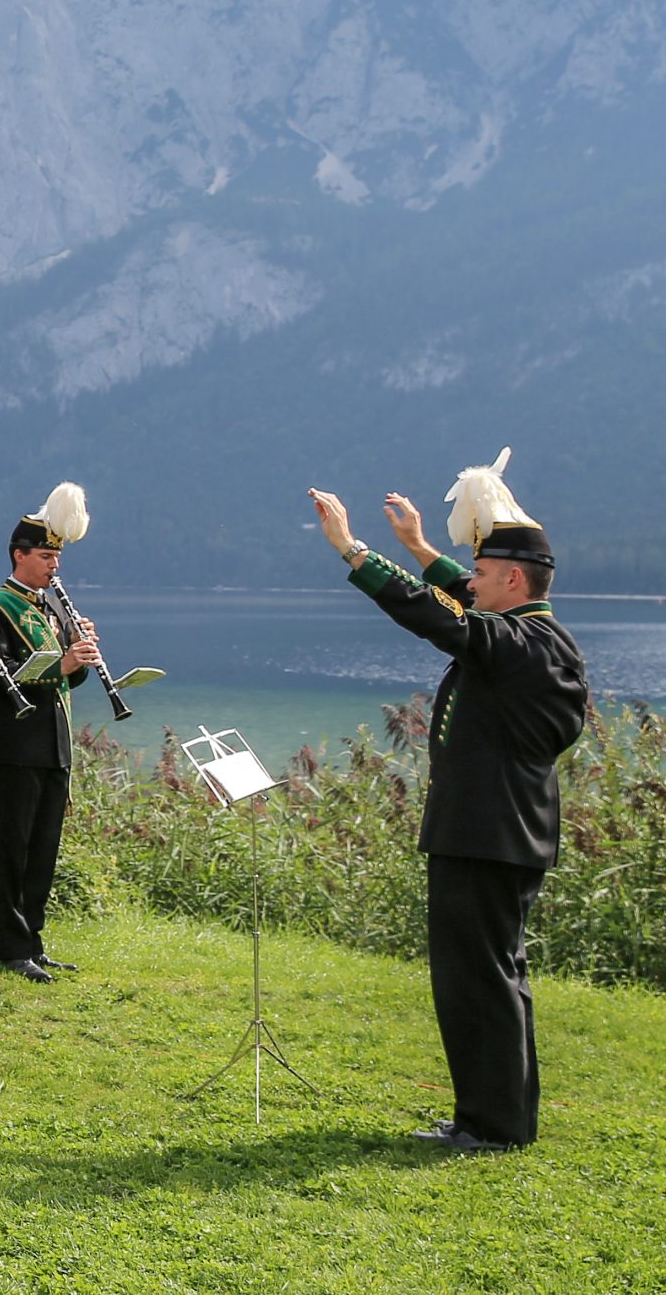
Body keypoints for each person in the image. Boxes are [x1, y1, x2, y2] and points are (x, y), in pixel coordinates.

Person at [310, 451, 588, 1152]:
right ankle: (492, 1118)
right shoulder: (532, 637)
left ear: (515, 579)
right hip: (495, 832)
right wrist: (417, 546)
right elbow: (461, 597)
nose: (474, 583)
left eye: (486, 575)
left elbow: (440, 615)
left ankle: (492, 1126)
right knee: (490, 977)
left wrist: (355, 550)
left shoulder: (521, 643)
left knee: (479, 982)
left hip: (486, 833)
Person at [0, 484, 101, 983]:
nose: (54, 566)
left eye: (57, 557)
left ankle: (33, 940)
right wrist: (60, 664)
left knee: (44, 847)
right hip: (16, 745)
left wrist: (79, 656)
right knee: (14, 848)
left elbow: (65, 678)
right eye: (46, 556)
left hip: (52, 745)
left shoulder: (50, 608)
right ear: (19, 555)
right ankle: (11, 946)